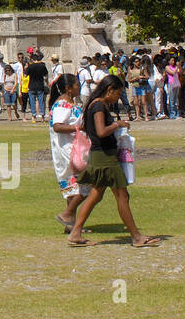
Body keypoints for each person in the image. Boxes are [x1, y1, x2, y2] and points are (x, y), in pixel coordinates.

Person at [66, 75, 157, 247]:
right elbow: (101, 131)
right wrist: (118, 124)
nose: (117, 97)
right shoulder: (99, 105)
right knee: (122, 196)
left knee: (96, 195)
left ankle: (75, 233)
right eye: (118, 93)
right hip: (105, 157)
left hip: (100, 155)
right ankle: (136, 236)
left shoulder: (94, 105)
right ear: (110, 90)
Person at [48, 74, 88, 232]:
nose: (79, 87)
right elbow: (57, 126)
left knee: (75, 186)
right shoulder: (62, 105)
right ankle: (69, 217)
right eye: (77, 85)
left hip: (76, 146)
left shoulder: (72, 103)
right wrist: (79, 128)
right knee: (81, 184)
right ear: (68, 88)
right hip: (66, 148)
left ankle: (71, 222)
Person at [26, 52, 49, 122]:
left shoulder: (30, 66)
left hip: (32, 85)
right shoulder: (42, 66)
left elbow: (25, 75)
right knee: (41, 102)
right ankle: (42, 117)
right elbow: (46, 75)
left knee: (32, 102)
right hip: (40, 85)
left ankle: (34, 117)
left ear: (32, 59)